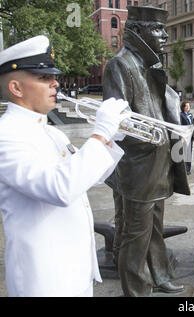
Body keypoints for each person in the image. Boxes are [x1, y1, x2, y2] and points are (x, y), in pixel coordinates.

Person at [0, 35, 129, 296]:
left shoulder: (51, 133)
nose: (55, 83)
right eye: (44, 78)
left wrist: (111, 140)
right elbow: (60, 189)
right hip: (45, 277)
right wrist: (99, 133)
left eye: (53, 77)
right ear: (16, 88)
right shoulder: (6, 135)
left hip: (75, 269)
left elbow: (85, 179)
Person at [102, 5, 190, 297]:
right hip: (138, 168)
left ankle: (161, 276)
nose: (164, 36)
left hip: (159, 164)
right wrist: (153, 138)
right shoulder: (121, 65)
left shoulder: (150, 66)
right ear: (137, 31)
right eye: (157, 29)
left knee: (155, 229)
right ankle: (137, 291)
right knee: (135, 236)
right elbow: (119, 120)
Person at [180, 101, 194, 175]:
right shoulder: (181, 115)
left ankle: (188, 169)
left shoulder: (190, 115)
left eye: (189, 106)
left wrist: (193, 137)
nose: (188, 107)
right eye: (186, 106)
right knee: (183, 153)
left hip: (190, 137)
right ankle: (183, 169)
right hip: (184, 137)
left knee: (189, 154)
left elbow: (192, 126)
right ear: (183, 107)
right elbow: (180, 126)